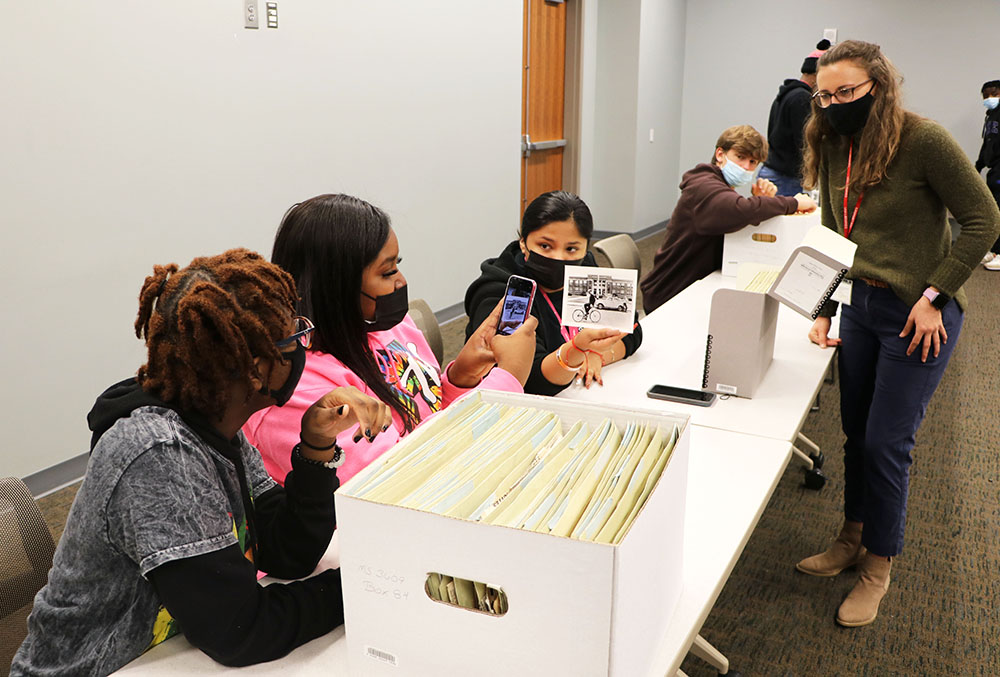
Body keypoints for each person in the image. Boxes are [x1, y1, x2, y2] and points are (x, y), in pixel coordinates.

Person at [12, 249, 393, 675]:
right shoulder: (158, 454)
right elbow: (242, 631)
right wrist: (366, 587)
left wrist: (316, 447)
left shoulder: (216, 422)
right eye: (293, 339)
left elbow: (288, 552)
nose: (303, 345)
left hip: (171, 661)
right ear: (256, 368)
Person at [797, 40, 1000, 628]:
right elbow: (835, 233)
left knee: (888, 443)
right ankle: (851, 536)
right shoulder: (834, 142)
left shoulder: (924, 140)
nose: (833, 104)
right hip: (861, 305)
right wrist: (823, 307)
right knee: (855, 431)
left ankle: (877, 567)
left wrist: (936, 294)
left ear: (878, 86)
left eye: (846, 93)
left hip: (920, 314)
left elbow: (986, 218)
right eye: (824, 95)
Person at [244, 193, 536, 487]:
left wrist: (461, 378)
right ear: (337, 287)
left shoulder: (386, 325)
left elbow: (426, 420)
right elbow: (397, 483)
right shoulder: (298, 389)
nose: (401, 281)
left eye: (397, 265)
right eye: (387, 271)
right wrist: (508, 380)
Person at [464, 191, 642, 396]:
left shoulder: (585, 269)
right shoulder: (504, 293)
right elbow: (528, 381)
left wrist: (596, 355)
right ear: (523, 242)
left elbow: (631, 330)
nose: (559, 257)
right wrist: (577, 352)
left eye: (572, 249)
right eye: (545, 246)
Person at [639, 125, 817, 313]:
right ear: (720, 154)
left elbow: (736, 217)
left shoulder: (718, 185)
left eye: (753, 162)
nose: (746, 167)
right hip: (671, 293)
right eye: (740, 157)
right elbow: (738, 210)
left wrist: (761, 201)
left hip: (695, 283)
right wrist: (793, 203)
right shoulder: (703, 185)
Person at [759, 39, 831, 195]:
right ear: (816, 75)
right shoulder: (802, 98)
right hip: (785, 178)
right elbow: (805, 140)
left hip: (772, 172)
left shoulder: (787, 94)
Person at [975, 79, 1000, 269]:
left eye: (994, 94)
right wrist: (979, 164)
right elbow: (988, 143)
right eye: (986, 95)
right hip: (994, 169)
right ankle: (994, 250)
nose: (990, 98)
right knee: (994, 210)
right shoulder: (991, 115)